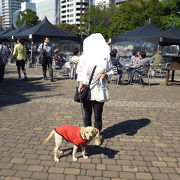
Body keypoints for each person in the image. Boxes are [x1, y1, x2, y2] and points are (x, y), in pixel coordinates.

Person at [76, 33, 114, 146]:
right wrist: (80, 83)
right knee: (87, 115)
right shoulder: (83, 57)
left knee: (98, 115)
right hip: (87, 90)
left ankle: (97, 136)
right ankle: (86, 137)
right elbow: (80, 72)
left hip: (99, 91)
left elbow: (112, 71)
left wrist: (105, 75)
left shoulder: (105, 57)